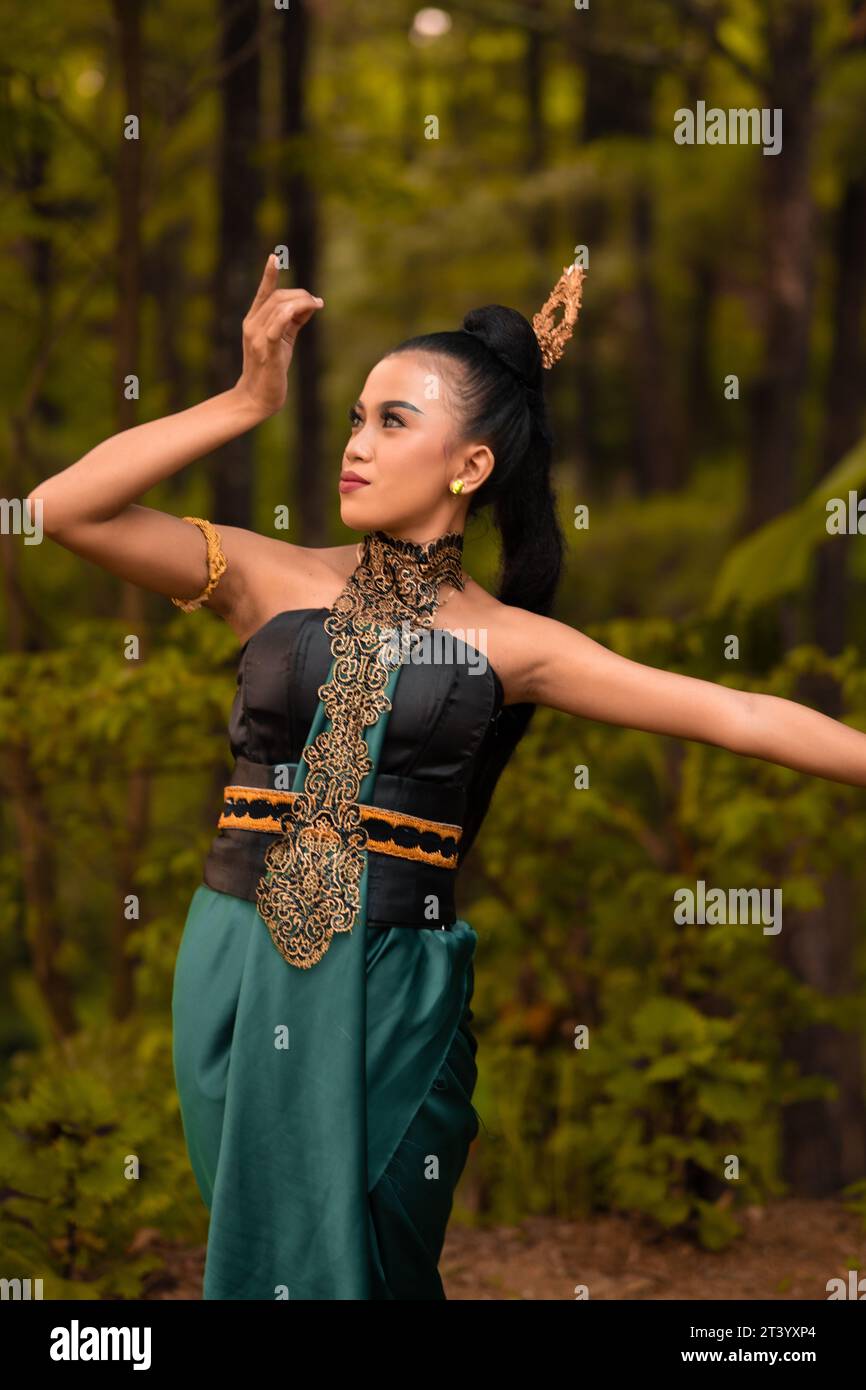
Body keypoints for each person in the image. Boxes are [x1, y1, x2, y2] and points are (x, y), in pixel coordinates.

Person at [27, 254, 866, 1300]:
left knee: (371, 1260)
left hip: (393, 982)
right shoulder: (269, 577)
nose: (354, 444)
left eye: (390, 422)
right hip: (236, 956)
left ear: (468, 467)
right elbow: (59, 510)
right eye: (353, 418)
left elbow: (735, 713)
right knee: (259, 1250)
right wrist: (248, 398)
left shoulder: (514, 643)